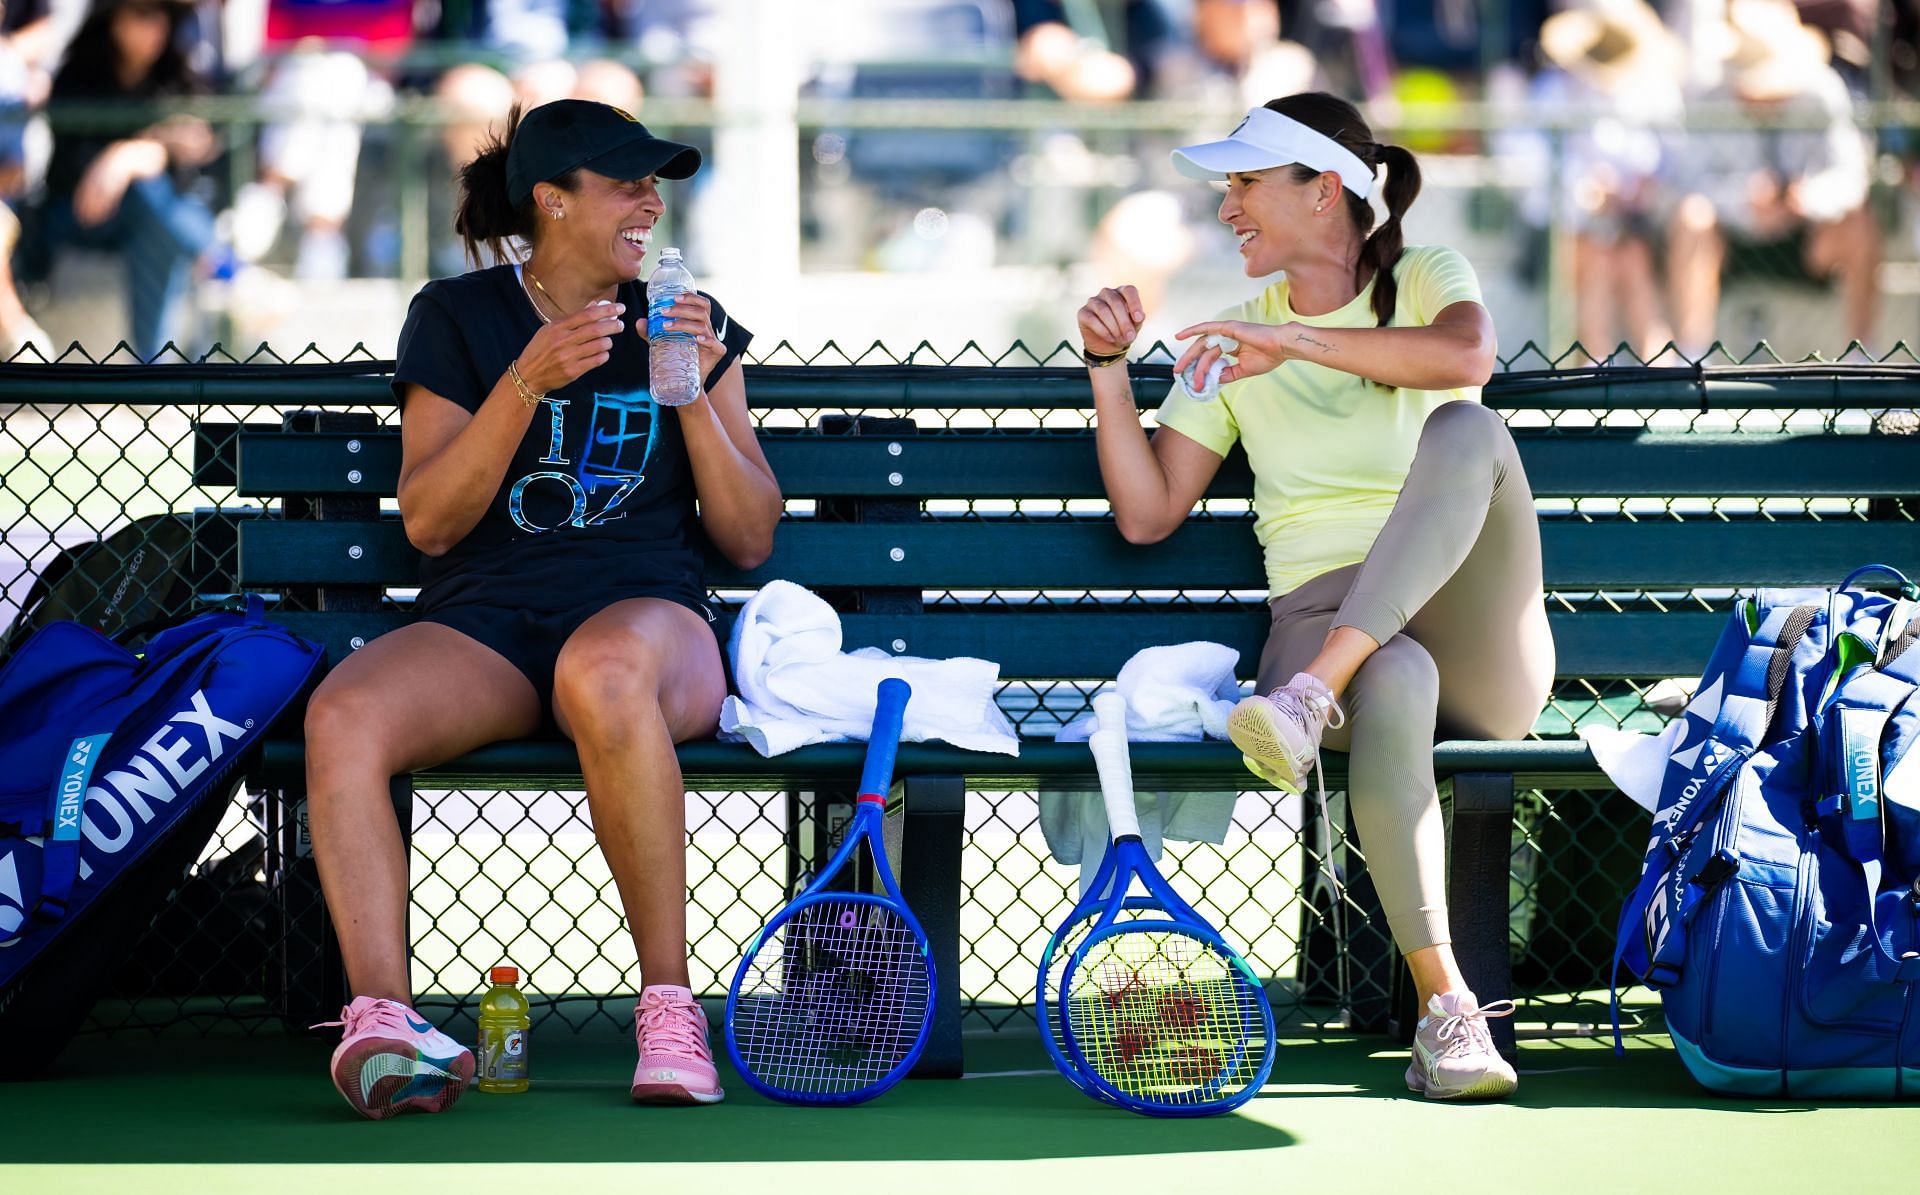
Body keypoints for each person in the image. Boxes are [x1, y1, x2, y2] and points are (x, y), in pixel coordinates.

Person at [302, 99, 781, 1119]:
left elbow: (747, 537)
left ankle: (668, 1009)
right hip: (490, 625)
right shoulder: (460, 318)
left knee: (600, 672)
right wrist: (525, 381)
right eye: (627, 183)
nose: (652, 200)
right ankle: (383, 1020)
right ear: (552, 202)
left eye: (657, 183)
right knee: (346, 712)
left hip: (650, 626)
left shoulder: (692, 315)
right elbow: (429, 522)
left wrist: (690, 385)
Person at [1077, 92, 1553, 1101]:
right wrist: (1108, 370)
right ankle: (1448, 1014)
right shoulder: (1228, 339)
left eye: (1246, 183)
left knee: (1465, 430)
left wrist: (1292, 345)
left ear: (1323, 190)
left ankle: (1311, 692)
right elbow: (1149, 513)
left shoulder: (1424, 277)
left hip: (1472, 631)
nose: (1227, 208)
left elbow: (1467, 360)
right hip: (1344, 637)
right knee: (1395, 672)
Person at [1664, 0, 1878, 353]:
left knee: (1861, 223)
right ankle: (1692, 359)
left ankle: (1862, 357)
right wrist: (1743, 199)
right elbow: (1685, 182)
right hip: (1730, 238)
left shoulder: (1822, 92)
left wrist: (1808, 198)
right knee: (1692, 218)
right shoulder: (1710, 100)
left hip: (1808, 236)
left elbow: (1852, 175)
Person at [38, 0, 216, 358]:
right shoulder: (78, 76)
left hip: (153, 217)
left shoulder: (175, 72)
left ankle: (153, 369)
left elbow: (205, 140)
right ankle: (223, 262)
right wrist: (128, 157)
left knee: (156, 224)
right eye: (143, 13)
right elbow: (73, 175)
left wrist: (132, 155)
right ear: (113, 21)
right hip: (76, 216)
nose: (157, 25)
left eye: (165, 15)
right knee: (150, 199)